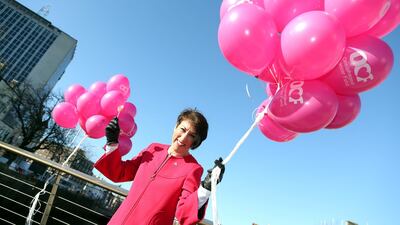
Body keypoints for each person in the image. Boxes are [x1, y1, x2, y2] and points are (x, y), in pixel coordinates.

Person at [94, 108, 225, 225]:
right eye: (183, 130)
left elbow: (183, 213)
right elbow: (120, 173)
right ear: (176, 126)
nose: (184, 137)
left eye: (191, 136)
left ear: (196, 142)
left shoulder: (193, 168)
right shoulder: (153, 149)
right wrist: (112, 142)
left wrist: (206, 189)